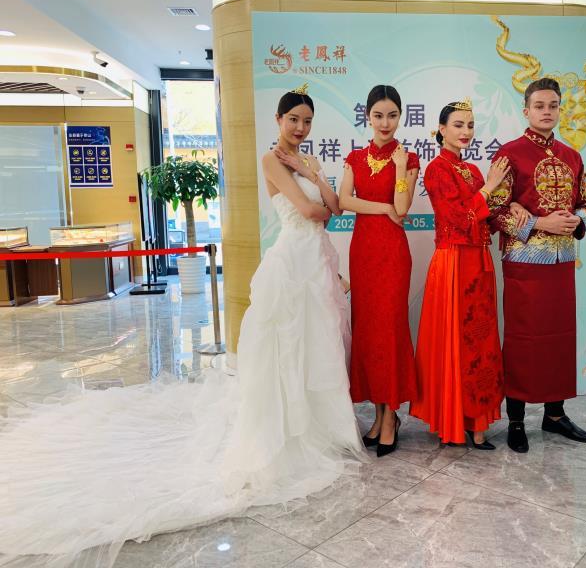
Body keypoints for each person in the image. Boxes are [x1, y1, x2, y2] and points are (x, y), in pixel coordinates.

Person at [0, 84, 365, 567]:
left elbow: (334, 210)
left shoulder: (308, 161)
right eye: (293, 119)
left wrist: (317, 175)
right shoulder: (271, 159)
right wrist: (318, 190)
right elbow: (314, 210)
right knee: (288, 345)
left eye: (307, 121)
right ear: (279, 120)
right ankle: (289, 434)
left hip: (315, 262)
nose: (300, 127)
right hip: (292, 264)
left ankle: (319, 425)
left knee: (317, 345)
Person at [488, 77, 586, 452]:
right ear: (526, 110)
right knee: (523, 339)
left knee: (560, 338)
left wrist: (578, 220)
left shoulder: (572, 156)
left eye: (553, 105)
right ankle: (516, 419)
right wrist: (538, 223)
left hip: (562, 263)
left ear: (560, 109)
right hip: (524, 262)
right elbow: (494, 211)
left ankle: (555, 415)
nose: (546, 112)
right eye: (539, 106)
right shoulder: (509, 154)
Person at [410, 98, 509, 449]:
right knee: (456, 340)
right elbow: (459, 217)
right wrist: (490, 189)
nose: (465, 131)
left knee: (480, 342)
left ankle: (476, 420)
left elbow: (485, 219)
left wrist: (514, 212)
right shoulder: (436, 169)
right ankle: (454, 421)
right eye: (457, 125)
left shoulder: (474, 171)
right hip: (453, 262)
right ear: (441, 129)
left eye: (469, 125)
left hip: (479, 263)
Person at [340, 84, 420, 457]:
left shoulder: (409, 158)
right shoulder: (355, 158)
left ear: (400, 116)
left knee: (390, 331)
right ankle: (378, 414)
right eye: (378, 115)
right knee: (369, 332)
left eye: (392, 115)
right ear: (367, 116)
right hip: (364, 253)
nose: (385, 123)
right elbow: (344, 200)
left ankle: (391, 417)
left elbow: (402, 208)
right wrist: (382, 207)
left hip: (392, 254)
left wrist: (400, 168)